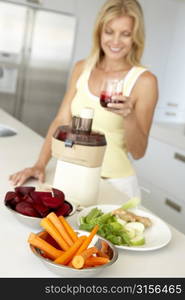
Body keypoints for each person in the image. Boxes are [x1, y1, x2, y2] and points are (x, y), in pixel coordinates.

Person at [9, 0, 158, 198]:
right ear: (99, 32)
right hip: (73, 175)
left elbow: (139, 152)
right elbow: (62, 120)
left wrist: (129, 116)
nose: (115, 41)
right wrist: (39, 164)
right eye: (109, 31)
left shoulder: (144, 81)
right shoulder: (82, 68)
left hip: (114, 186)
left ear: (135, 38)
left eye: (125, 34)